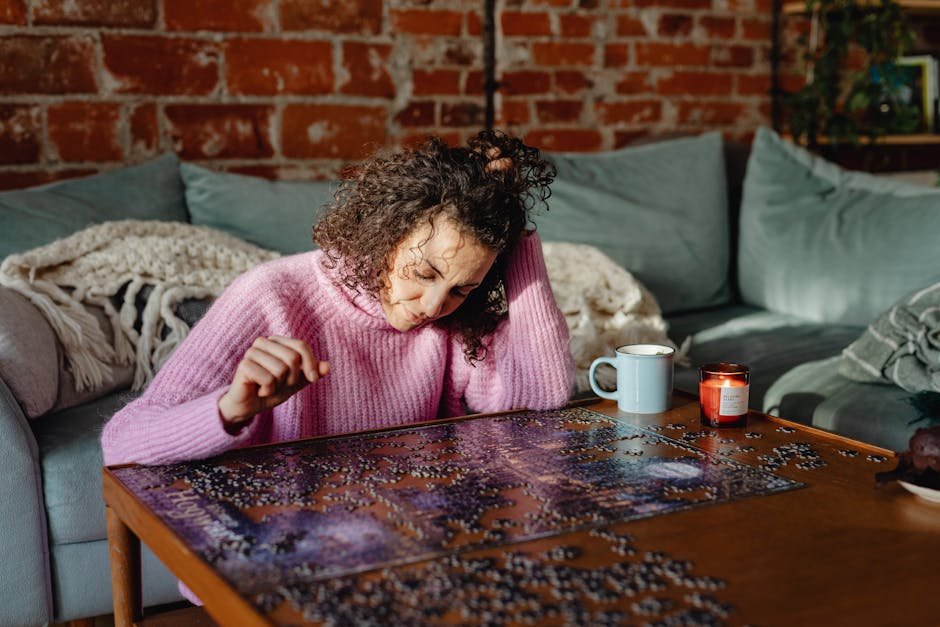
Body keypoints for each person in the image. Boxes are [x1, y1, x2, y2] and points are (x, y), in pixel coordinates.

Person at [100, 130, 574, 467]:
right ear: (387, 232)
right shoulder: (271, 295)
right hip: (285, 546)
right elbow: (121, 442)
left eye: (460, 288)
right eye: (425, 272)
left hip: (412, 540)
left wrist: (517, 239)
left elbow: (541, 396)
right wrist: (230, 409)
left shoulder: (455, 319)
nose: (432, 306)